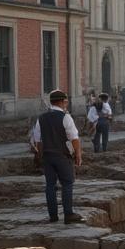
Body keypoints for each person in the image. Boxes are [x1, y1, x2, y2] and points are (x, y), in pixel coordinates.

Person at [33, 90, 85, 225]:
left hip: (48, 156)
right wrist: (78, 154)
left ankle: (53, 216)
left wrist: (40, 156)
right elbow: (74, 138)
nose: (66, 104)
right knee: (67, 183)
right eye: (65, 101)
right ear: (62, 102)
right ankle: (68, 214)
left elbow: (38, 140)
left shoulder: (41, 118)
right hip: (62, 156)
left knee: (50, 186)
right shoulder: (65, 117)